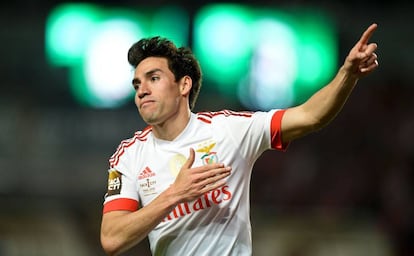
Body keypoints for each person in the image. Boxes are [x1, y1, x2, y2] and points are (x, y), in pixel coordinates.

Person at [100, 23, 379, 255]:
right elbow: (112, 239)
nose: (141, 90)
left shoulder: (229, 130)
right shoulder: (128, 155)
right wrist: (176, 194)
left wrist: (347, 74)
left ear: (183, 85)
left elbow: (310, 116)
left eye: (153, 78)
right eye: (137, 83)